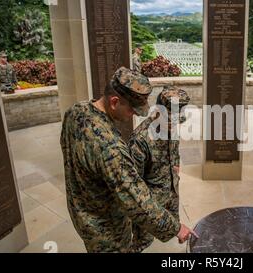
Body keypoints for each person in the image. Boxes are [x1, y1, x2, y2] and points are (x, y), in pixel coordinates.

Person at [60, 67, 197, 253]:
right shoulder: (111, 147)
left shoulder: (76, 112)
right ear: (115, 102)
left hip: (83, 215)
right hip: (107, 231)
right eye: (133, 110)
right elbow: (135, 197)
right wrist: (175, 228)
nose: (136, 115)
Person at [127, 86, 191, 252]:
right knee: (142, 243)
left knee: (172, 233)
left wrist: (176, 166)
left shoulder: (171, 126)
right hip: (150, 205)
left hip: (171, 191)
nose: (173, 125)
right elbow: (135, 186)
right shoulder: (140, 140)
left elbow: (174, 149)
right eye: (169, 120)